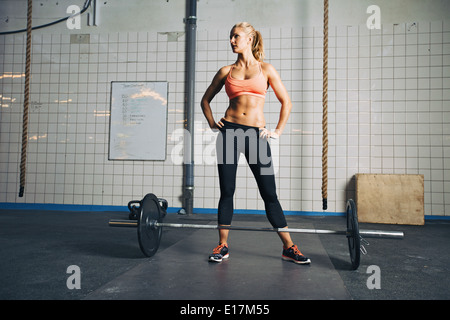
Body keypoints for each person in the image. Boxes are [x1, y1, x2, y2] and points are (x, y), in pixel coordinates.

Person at [200, 22, 310, 265]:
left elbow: (286, 102)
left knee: (269, 193)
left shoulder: (266, 69)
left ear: (249, 39)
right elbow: (205, 100)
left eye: (236, 36)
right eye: (230, 37)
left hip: (256, 135)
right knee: (227, 190)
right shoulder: (225, 71)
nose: (231, 41)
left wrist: (278, 131)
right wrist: (211, 123)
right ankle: (222, 245)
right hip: (229, 132)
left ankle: (289, 247)